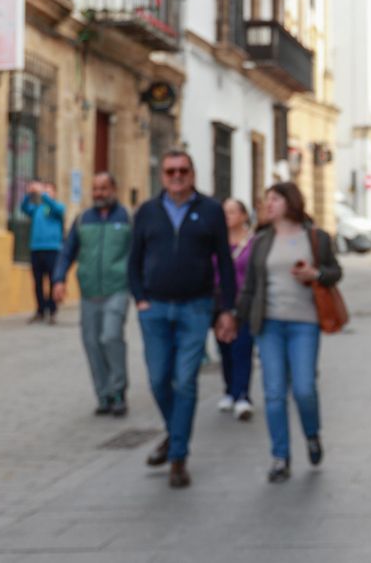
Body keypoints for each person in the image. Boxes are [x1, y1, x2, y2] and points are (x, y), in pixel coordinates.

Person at [128, 150, 236, 488]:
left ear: (193, 173)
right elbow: (133, 260)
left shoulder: (210, 211)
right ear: (162, 175)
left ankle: (178, 456)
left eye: (183, 170)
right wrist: (140, 299)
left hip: (195, 308)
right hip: (155, 309)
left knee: (186, 380)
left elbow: (225, 262)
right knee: (159, 379)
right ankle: (174, 435)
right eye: (170, 170)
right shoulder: (147, 212)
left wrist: (228, 309)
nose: (177, 176)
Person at [236, 182, 342, 483]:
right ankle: (280, 456)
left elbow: (335, 272)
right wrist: (234, 318)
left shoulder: (315, 238)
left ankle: (311, 434)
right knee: (273, 393)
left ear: (290, 202)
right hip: (269, 324)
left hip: (304, 324)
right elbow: (250, 287)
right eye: (266, 199)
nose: (268, 204)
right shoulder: (261, 240)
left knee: (305, 388)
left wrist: (315, 274)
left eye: (275, 199)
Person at [51, 172, 132, 417]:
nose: (99, 193)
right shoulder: (82, 220)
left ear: (114, 189)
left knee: (110, 337)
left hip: (118, 288)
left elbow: (140, 252)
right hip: (89, 292)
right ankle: (103, 394)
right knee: (92, 343)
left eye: (104, 188)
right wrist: (59, 279)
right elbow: (67, 251)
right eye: (95, 189)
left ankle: (118, 391)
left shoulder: (127, 219)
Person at [215, 198, 256, 419]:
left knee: (242, 348)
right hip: (220, 304)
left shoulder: (253, 242)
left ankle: (243, 394)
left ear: (243, 215)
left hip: (244, 304)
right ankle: (229, 390)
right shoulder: (216, 242)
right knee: (224, 348)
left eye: (232, 211)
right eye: (224, 211)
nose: (227, 215)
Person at [21, 180, 65, 324]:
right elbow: (23, 208)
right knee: (38, 282)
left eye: (49, 190)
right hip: (36, 248)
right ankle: (40, 310)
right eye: (45, 190)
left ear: (54, 193)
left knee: (53, 281)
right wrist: (28, 194)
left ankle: (52, 311)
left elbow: (56, 208)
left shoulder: (57, 207)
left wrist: (43, 194)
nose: (46, 192)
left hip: (53, 249)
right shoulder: (37, 209)